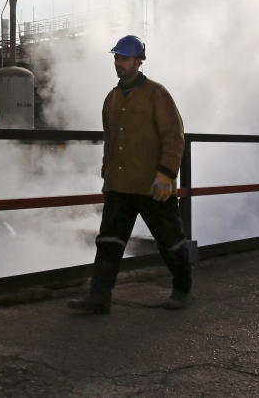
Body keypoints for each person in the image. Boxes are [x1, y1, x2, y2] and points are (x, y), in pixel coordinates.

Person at [68, 34, 193, 314]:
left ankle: (183, 289)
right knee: (109, 243)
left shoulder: (156, 94)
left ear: (139, 61)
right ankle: (99, 299)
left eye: (124, 58)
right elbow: (110, 141)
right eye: (116, 58)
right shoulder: (111, 99)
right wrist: (106, 174)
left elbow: (174, 136)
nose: (118, 63)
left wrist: (167, 173)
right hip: (120, 185)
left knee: (170, 240)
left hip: (152, 184)